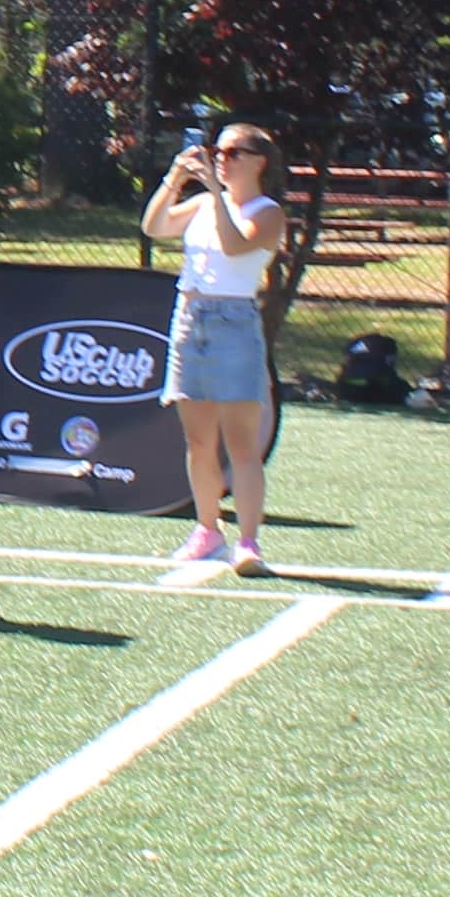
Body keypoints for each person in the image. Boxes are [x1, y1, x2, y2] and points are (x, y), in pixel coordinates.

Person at [142, 121, 288, 579]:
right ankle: (207, 530)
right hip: (189, 320)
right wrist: (174, 180)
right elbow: (154, 226)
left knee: (241, 446)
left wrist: (211, 191)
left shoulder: (268, 213)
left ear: (259, 161)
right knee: (199, 440)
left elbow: (234, 243)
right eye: (217, 153)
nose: (221, 160)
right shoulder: (206, 202)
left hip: (235, 324)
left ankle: (248, 543)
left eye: (232, 153)